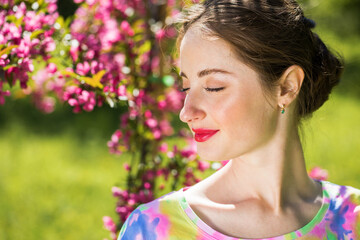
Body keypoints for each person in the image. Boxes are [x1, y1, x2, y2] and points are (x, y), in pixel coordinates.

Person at [118, 0, 360, 239]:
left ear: (286, 87)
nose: (186, 112)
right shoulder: (153, 228)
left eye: (214, 86)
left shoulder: (353, 219)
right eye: (186, 87)